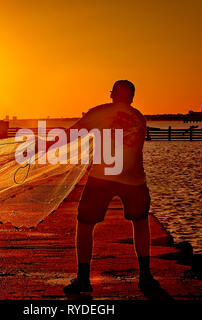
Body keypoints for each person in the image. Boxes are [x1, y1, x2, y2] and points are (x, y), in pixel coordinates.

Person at [63, 80, 159, 294]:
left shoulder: (99, 112)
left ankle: (83, 279)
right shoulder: (139, 118)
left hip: (102, 178)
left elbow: (72, 134)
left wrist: (45, 146)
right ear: (132, 97)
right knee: (141, 223)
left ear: (112, 94)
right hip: (134, 180)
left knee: (85, 223)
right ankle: (145, 277)